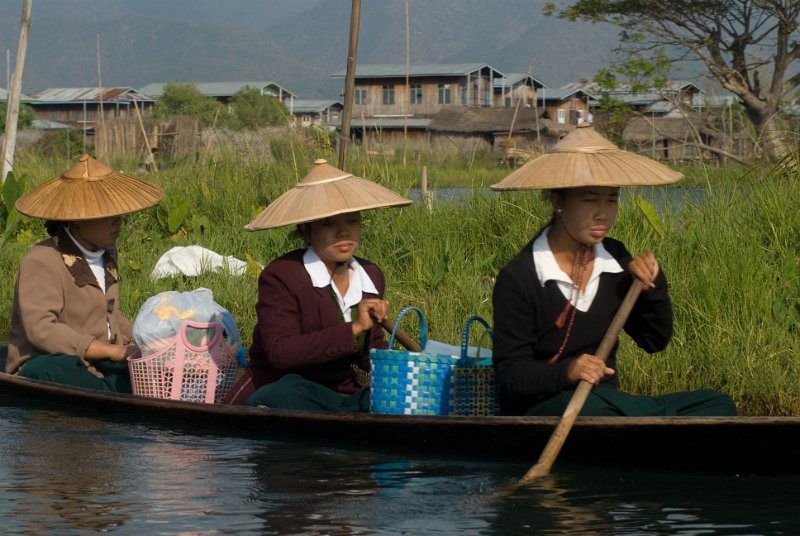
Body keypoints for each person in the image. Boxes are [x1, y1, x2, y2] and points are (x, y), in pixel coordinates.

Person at [490, 124, 737, 417]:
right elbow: (510, 373)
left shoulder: (616, 259)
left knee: (717, 403)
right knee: (594, 408)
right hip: (545, 405)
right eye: (590, 199)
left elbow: (654, 341)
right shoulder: (520, 276)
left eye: (612, 199)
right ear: (558, 202)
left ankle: (642, 417)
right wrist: (568, 372)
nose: (603, 213)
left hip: (605, 401)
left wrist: (650, 286)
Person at [224, 158, 412, 411]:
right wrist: (355, 327)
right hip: (280, 388)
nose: (343, 233)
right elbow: (281, 353)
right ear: (306, 230)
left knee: (388, 399)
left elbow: (369, 353)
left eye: (352, 221)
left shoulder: (370, 275)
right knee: (291, 392)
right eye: (328, 224)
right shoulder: (282, 275)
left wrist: (404, 369)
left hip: (337, 395)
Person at [6, 154, 163, 392]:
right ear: (78, 220)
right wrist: (113, 351)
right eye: (108, 215)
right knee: (67, 373)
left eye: (120, 214)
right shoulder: (43, 258)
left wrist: (146, 342)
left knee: (148, 377)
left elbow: (109, 315)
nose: (119, 221)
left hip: (97, 358)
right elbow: (42, 330)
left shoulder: (107, 252)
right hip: (46, 361)